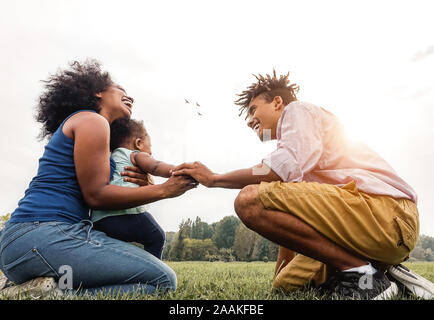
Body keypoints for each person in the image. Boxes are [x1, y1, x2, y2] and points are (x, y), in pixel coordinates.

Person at [171, 70, 430, 299]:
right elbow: (288, 213)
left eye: (252, 110)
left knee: (249, 198)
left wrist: (215, 178)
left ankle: (365, 274)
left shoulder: (297, 112)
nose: (249, 120)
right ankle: (379, 268)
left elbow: (274, 169)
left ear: (277, 102)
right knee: (287, 284)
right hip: (366, 224)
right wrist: (277, 279)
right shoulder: (298, 152)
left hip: (388, 214)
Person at [0, 60, 197, 296]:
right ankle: (57, 295)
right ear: (98, 91)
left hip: (26, 246)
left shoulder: (94, 132)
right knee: (162, 280)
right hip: (42, 235)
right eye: (122, 91)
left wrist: (141, 185)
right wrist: (165, 190)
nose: (130, 98)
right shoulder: (92, 120)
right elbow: (96, 195)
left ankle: (29, 288)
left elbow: (104, 191)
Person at [91, 117, 185, 259]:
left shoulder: (110, 158)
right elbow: (155, 166)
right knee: (157, 237)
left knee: (114, 252)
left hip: (100, 219)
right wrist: (180, 170)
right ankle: (153, 272)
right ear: (139, 143)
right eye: (150, 147)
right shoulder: (135, 154)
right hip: (128, 213)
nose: (151, 153)